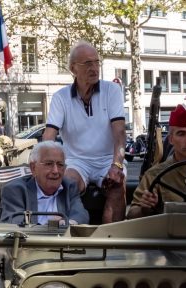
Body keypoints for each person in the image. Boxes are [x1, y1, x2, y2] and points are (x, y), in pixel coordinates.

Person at [43, 41, 127, 223]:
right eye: (88, 63)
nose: (94, 68)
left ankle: (112, 242)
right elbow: (49, 134)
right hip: (76, 161)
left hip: (108, 160)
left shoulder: (112, 90)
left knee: (117, 186)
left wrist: (117, 165)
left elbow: (119, 132)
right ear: (73, 69)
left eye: (97, 62)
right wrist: (43, 162)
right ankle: (67, 235)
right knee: (67, 184)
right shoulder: (60, 97)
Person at [0, 141, 88, 226]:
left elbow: (81, 215)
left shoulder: (69, 186)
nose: (55, 171)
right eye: (49, 164)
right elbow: (12, 222)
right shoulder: (16, 190)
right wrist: (48, 227)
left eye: (60, 165)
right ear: (33, 168)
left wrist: (66, 223)